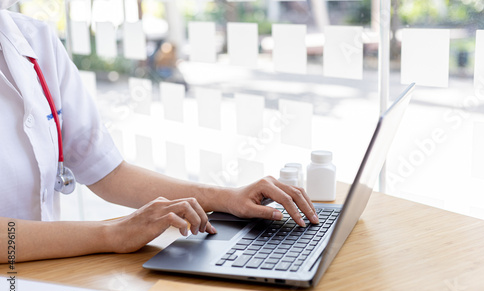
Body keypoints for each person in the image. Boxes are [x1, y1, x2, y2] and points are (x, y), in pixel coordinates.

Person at [0, 5, 319, 264]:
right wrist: (114, 234)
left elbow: (106, 172)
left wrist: (225, 197)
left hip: (50, 273)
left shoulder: (34, 40)